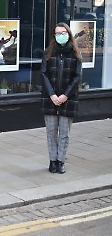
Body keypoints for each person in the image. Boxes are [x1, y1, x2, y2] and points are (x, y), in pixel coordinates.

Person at [41, 22, 82, 174]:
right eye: (58, 33)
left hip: (68, 98)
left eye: (63, 33)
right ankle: (52, 161)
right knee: (51, 132)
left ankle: (61, 161)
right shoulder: (48, 52)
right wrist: (52, 94)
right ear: (54, 36)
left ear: (69, 34)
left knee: (64, 133)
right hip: (50, 97)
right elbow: (43, 74)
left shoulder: (75, 54)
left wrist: (65, 95)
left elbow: (77, 77)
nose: (61, 36)